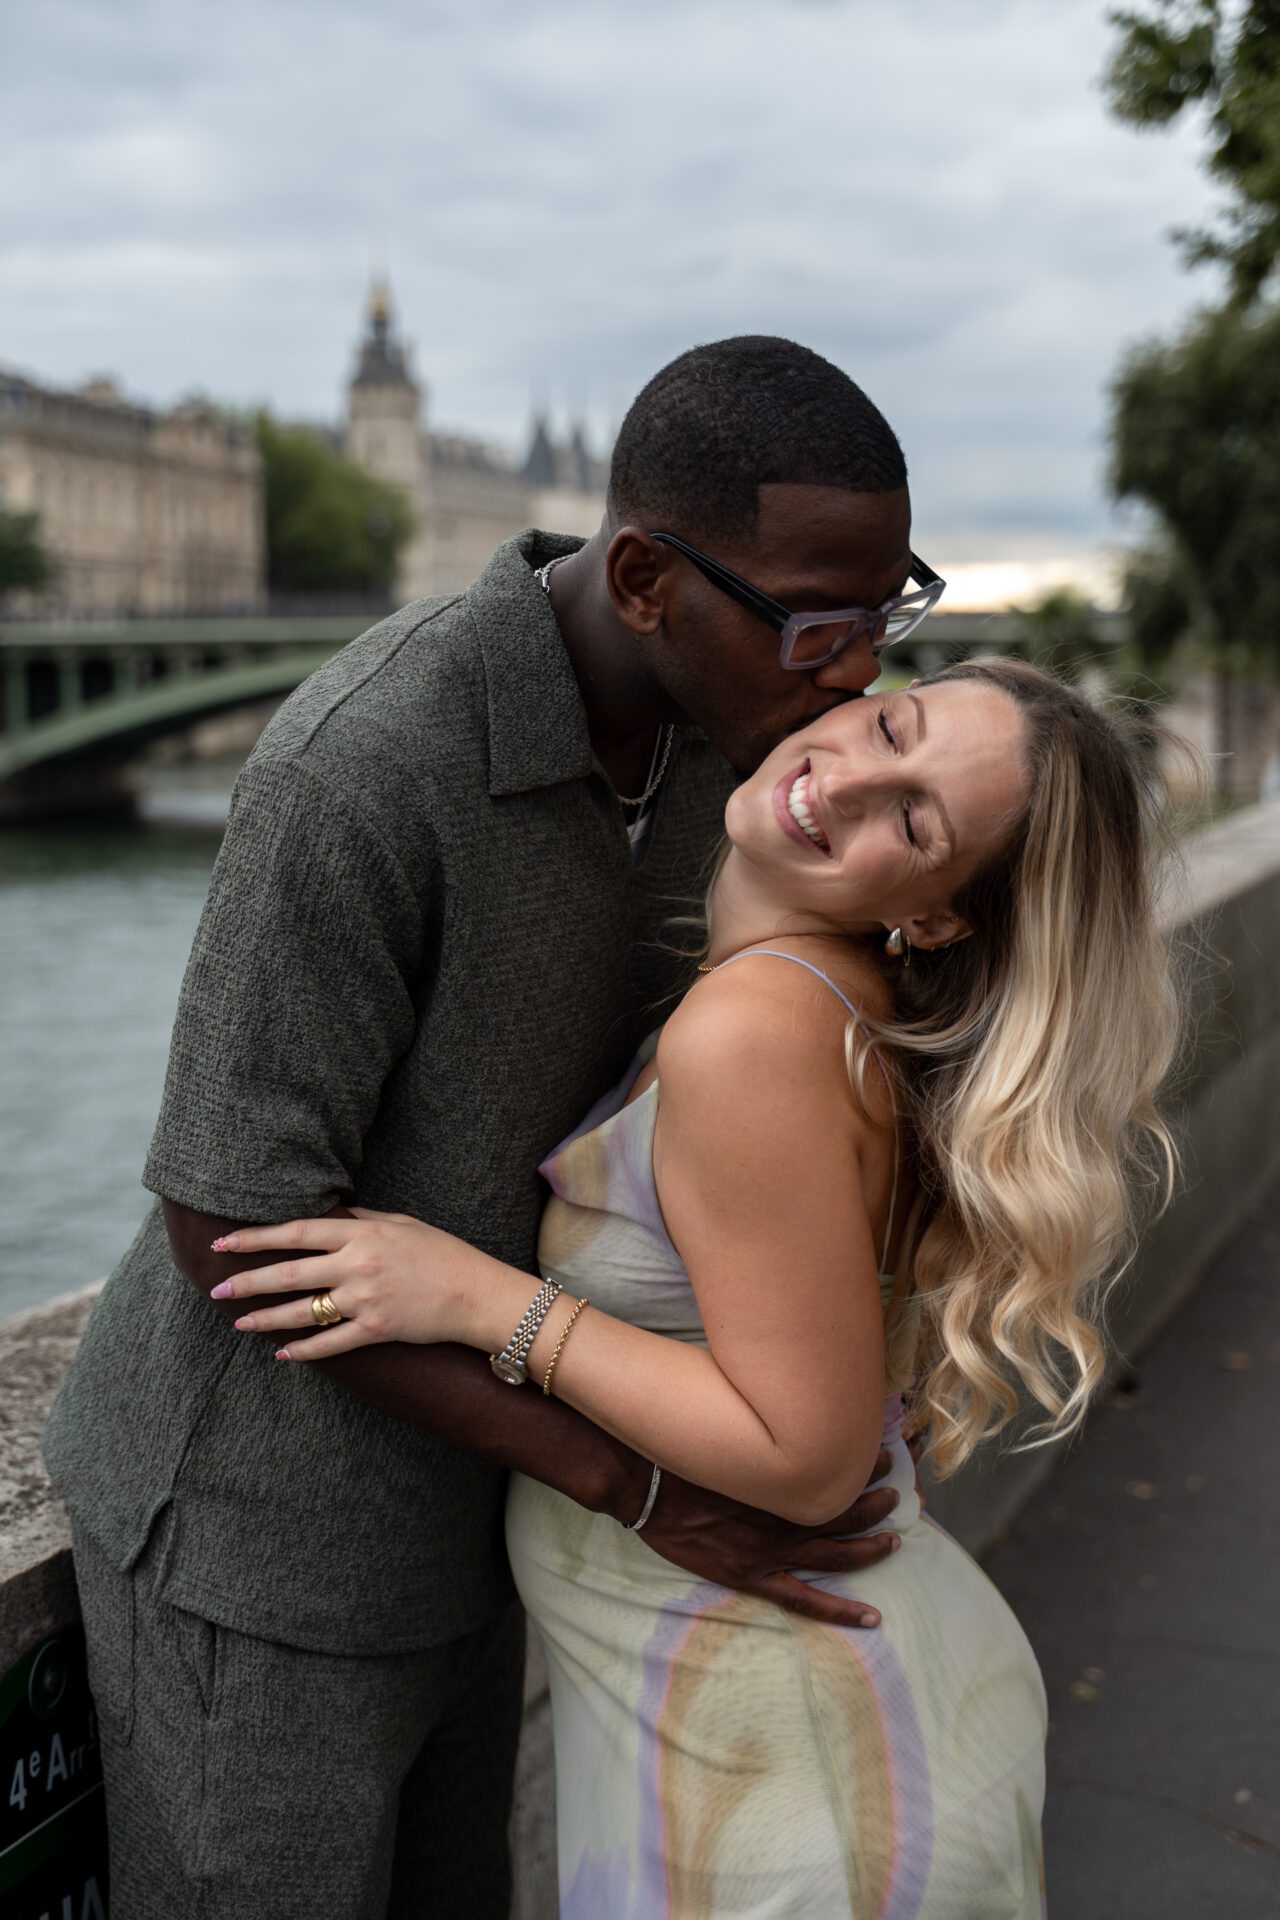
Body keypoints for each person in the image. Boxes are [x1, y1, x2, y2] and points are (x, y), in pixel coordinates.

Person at [42, 336, 948, 1918]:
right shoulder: (362, 764)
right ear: (649, 582)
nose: (856, 670)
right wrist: (631, 1485)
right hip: (259, 1546)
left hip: (484, 1515)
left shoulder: (733, 763)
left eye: (888, 612)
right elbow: (229, 1223)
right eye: (819, 623)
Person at [216, 657, 1182, 1917]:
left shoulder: (752, 1031)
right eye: (890, 727)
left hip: (797, 1770)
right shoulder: (830, 1006)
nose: (846, 781)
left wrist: (480, 1302)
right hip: (786, 1733)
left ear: (940, 918)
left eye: (913, 821)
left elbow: (805, 1455)